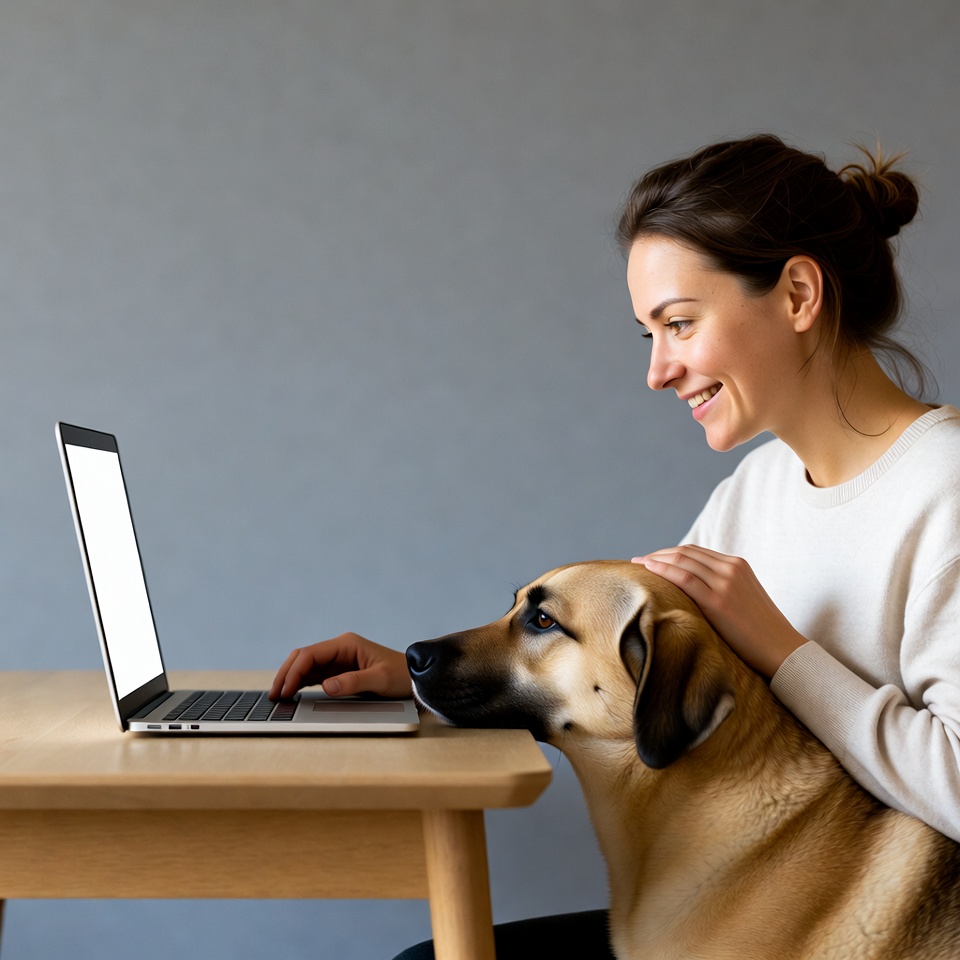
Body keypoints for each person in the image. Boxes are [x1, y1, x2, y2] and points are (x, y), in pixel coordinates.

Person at [270, 134, 960, 959]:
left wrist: (783, 652)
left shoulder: (944, 487)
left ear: (799, 294)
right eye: (649, 336)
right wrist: (434, 683)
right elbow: (615, 681)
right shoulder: (758, 489)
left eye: (679, 324)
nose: (658, 371)